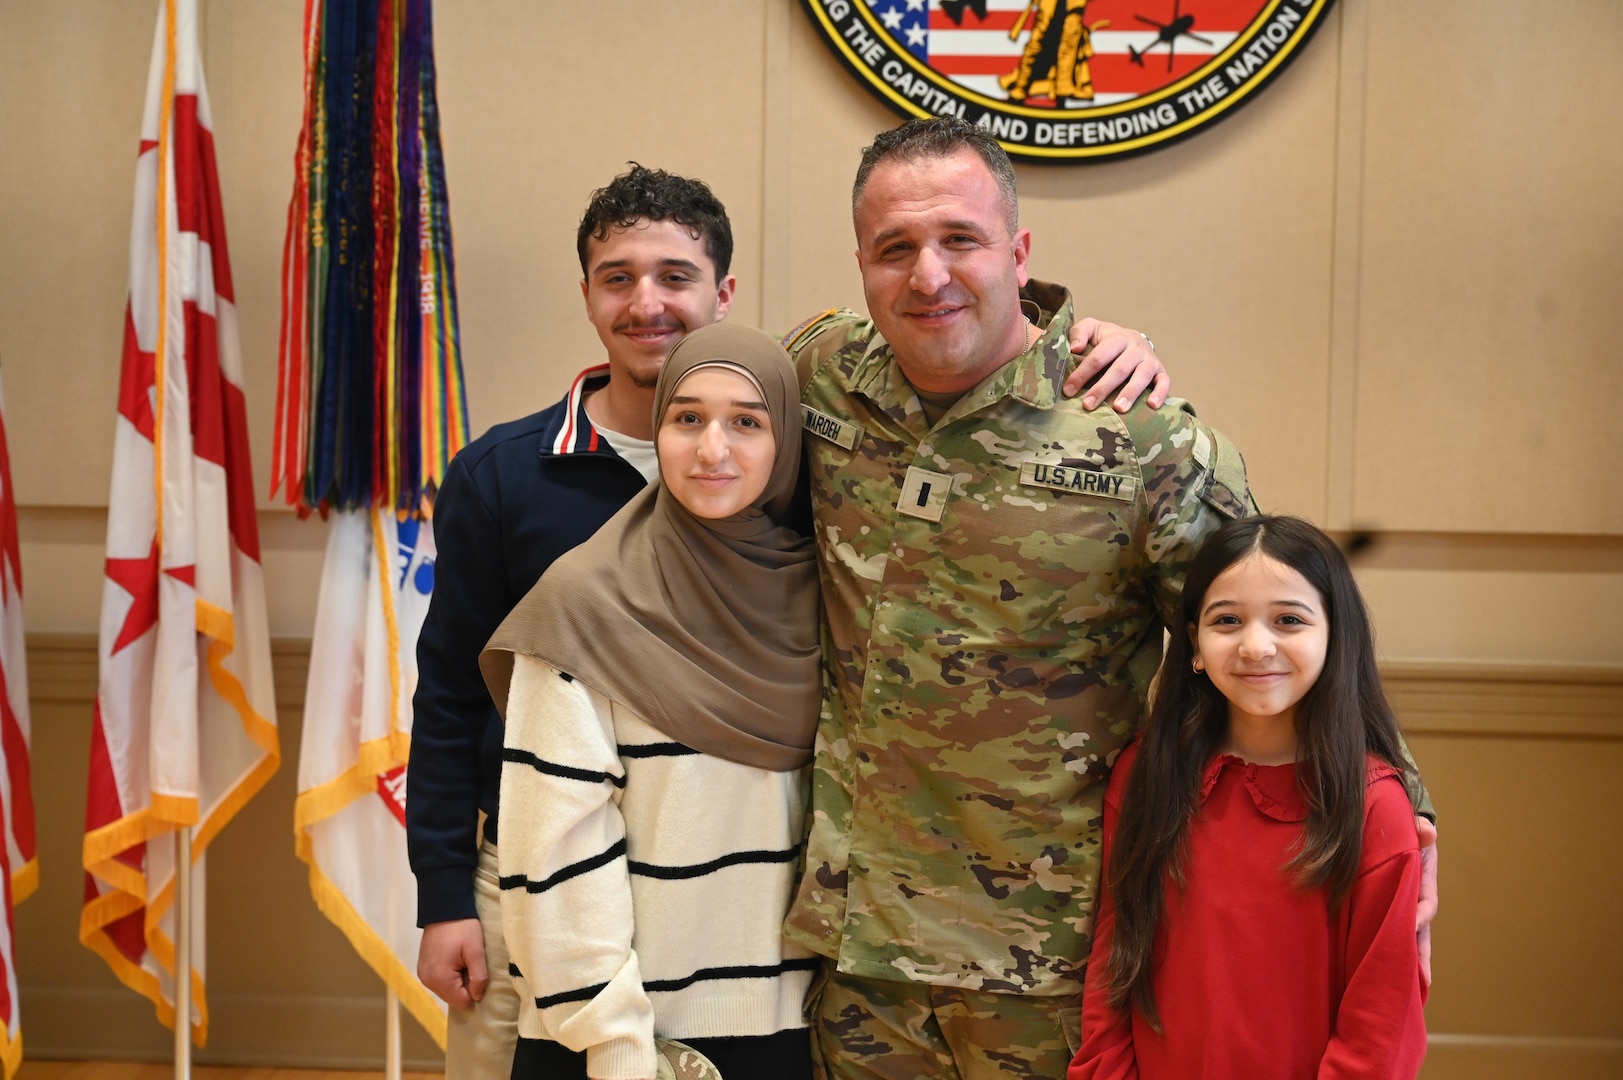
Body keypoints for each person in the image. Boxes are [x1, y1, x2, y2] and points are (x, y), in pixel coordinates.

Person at [405, 162, 1172, 1078]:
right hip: (574, 943)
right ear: (585, 295)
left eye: (676, 278)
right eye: (618, 278)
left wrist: (1085, 340)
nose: (713, 445)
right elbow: (452, 696)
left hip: (803, 976)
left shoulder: (800, 499)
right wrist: (446, 893)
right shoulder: (517, 497)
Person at [780, 116, 1432, 1078]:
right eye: (894, 249)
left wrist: (1404, 818)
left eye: (960, 239)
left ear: (1019, 250)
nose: (927, 276)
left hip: (1049, 964)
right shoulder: (816, 379)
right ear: (860, 263)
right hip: (856, 957)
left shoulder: (1137, 438)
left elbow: (1284, 631)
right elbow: (682, 381)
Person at [481, 323, 822, 1079]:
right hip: (625, 1045)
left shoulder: (821, 599)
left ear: (786, 442)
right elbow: (554, 857)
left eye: (747, 421)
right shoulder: (581, 606)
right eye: (687, 418)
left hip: (790, 1032)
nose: (712, 450)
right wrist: (618, 1045)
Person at [1069, 515, 1427, 1078]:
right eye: (1227, 620)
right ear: (1193, 642)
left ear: (1336, 635)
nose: (1256, 646)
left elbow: (1382, 1022)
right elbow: (1114, 966)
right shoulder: (1148, 775)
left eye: (1289, 620)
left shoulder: (1376, 807)